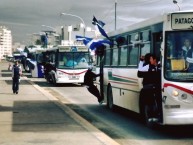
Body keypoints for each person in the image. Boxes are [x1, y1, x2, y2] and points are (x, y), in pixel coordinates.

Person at [138, 54, 161, 122]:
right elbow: (139, 71)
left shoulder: (160, 66)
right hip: (149, 88)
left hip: (158, 88)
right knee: (149, 102)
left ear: (155, 60)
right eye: (149, 59)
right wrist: (141, 61)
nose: (150, 60)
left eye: (151, 59)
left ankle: (159, 114)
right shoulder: (148, 67)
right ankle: (150, 116)